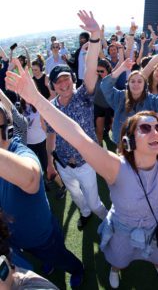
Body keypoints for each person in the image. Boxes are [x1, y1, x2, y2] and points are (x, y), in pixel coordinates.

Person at [5, 47, 158, 289]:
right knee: (118, 259)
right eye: (145, 128)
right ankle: (115, 269)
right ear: (129, 140)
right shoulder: (116, 167)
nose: (155, 131)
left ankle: (157, 264)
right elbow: (77, 136)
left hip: (156, 228)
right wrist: (37, 99)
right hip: (123, 233)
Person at [0, 101, 84, 288]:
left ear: (8, 131)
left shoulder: (21, 151)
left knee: (60, 257)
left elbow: (30, 178)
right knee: (42, 257)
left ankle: (78, 269)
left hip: (42, 235)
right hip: (17, 239)